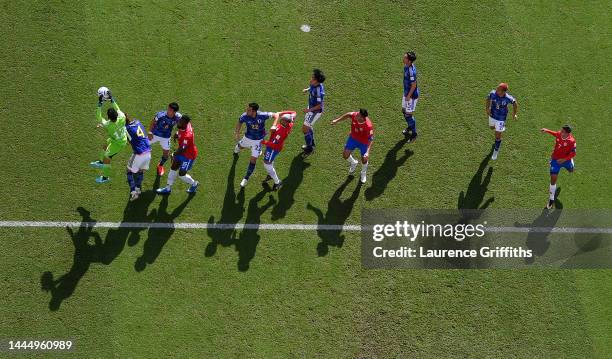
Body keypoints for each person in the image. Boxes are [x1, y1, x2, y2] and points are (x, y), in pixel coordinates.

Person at [233, 103, 279, 188]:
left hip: (258, 141)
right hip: (247, 138)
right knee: (240, 147)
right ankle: (238, 147)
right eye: (247, 109)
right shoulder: (245, 116)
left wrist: (274, 125)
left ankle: (246, 178)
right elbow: (240, 122)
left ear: (254, 111)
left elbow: (276, 115)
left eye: (249, 110)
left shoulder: (262, 115)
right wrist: (237, 132)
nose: (247, 111)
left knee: (253, 159)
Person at [90, 91, 127, 183]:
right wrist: (112, 99)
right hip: (120, 138)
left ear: (109, 117)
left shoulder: (107, 124)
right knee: (105, 145)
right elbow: (117, 108)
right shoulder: (122, 117)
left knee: (107, 157)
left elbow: (98, 116)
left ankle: (105, 177)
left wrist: (100, 103)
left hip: (119, 144)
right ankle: (101, 162)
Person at [156, 115, 200, 195]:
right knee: (173, 168)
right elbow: (181, 130)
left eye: (180, 122)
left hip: (188, 156)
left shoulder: (187, 136)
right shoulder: (186, 124)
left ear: (185, 124)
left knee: (181, 175)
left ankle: (194, 184)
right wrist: (177, 133)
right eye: (179, 121)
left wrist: (173, 154)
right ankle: (168, 188)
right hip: (182, 152)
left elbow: (183, 149)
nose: (178, 123)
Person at [331, 108, 374, 184]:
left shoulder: (368, 126)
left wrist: (367, 152)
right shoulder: (355, 115)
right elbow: (348, 115)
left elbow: (370, 140)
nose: (356, 114)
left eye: (359, 115)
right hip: (353, 139)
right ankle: (353, 162)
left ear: (362, 118)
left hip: (364, 142)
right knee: (345, 155)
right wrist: (337, 120)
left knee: (364, 159)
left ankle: (363, 173)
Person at [540, 125, 576, 209]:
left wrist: (564, 159)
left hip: (566, 160)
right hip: (555, 160)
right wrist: (547, 130)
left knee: (571, 170)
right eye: (561, 130)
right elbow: (555, 134)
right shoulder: (559, 134)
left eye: (563, 131)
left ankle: (572, 163)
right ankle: (551, 199)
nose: (560, 132)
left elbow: (573, 153)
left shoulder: (572, 141)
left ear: (567, 133)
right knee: (553, 178)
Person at [261, 111, 296, 191]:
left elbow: (273, 145)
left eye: (282, 119)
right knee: (269, 162)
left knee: (267, 163)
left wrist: (263, 142)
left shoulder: (280, 133)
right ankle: (270, 174)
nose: (280, 119)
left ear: (286, 122)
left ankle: (277, 182)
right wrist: (280, 113)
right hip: (276, 146)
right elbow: (294, 112)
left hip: (273, 149)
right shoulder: (290, 123)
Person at [486, 83, 518, 160]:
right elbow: (488, 98)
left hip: (501, 118)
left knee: (497, 135)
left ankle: (496, 150)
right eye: (497, 88)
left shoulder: (508, 98)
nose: (496, 90)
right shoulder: (493, 93)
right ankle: (498, 129)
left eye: (499, 89)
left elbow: (515, 103)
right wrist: (487, 108)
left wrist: (514, 114)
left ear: (503, 92)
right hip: (492, 115)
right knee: (491, 127)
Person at [148, 102, 181, 176]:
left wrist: (178, 132)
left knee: (166, 155)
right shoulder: (160, 115)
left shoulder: (178, 117)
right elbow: (153, 122)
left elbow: (183, 125)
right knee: (142, 146)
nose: (168, 110)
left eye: (170, 110)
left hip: (166, 137)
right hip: (155, 135)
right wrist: (150, 132)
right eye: (168, 108)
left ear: (175, 112)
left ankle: (160, 165)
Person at [125, 114, 152, 201]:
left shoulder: (125, 129)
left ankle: (133, 192)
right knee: (140, 170)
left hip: (139, 153)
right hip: (148, 152)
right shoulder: (137, 121)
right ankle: (138, 189)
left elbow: (128, 141)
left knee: (129, 170)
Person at [301, 69, 326, 156]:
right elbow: (311, 87)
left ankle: (309, 148)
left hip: (315, 111)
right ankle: (312, 143)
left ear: (317, 81)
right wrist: (307, 89)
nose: (311, 79)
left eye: (313, 78)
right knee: (308, 127)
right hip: (311, 108)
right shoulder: (313, 84)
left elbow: (320, 106)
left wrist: (309, 110)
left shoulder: (319, 92)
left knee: (305, 128)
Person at [402, 51, 419, 143]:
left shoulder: (411, 72)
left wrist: (408, 96)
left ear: (409, 61)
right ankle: (410, 125)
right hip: (406, 94)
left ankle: (414, 134)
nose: (403, 58)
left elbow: (414, 85)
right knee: (404, 111)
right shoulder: (406, 66)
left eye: (405, 57)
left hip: (411, 96)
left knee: (408, 115)